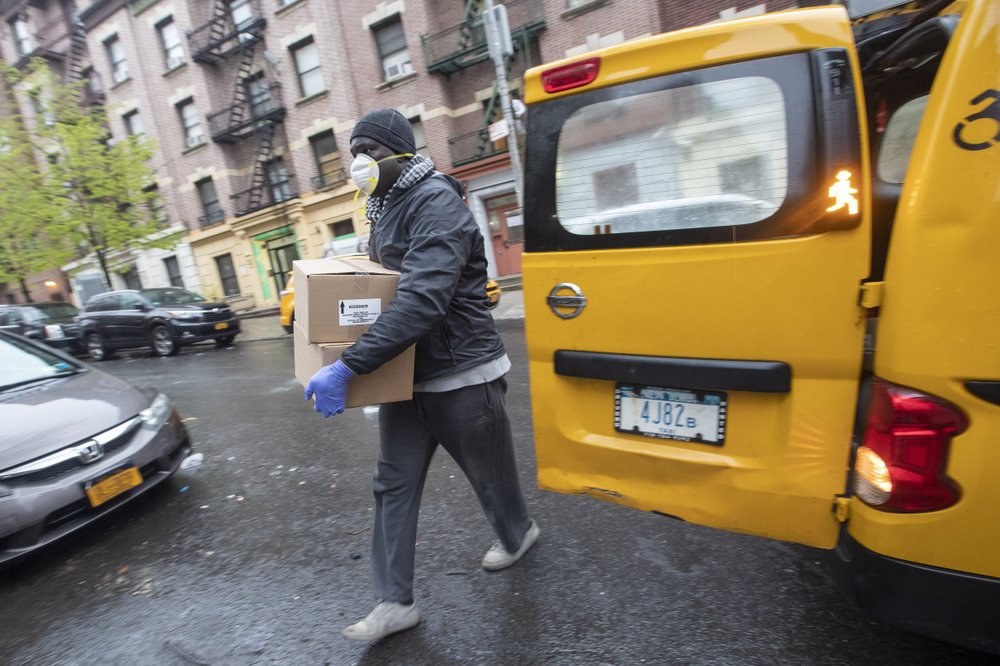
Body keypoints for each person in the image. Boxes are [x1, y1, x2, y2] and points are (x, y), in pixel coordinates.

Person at [304, 108, 539, 643]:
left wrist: (349, 366)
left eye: (372, 151)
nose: (361, 161)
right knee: (392, 484)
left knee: (490, 477)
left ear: (400, 152)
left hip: (462, 374)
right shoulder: (385, 207)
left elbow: (422, 299)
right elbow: (380, 287)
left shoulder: (434, 201)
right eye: (354, 152)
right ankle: (393, 602)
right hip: (405, 378)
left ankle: (518, 532)